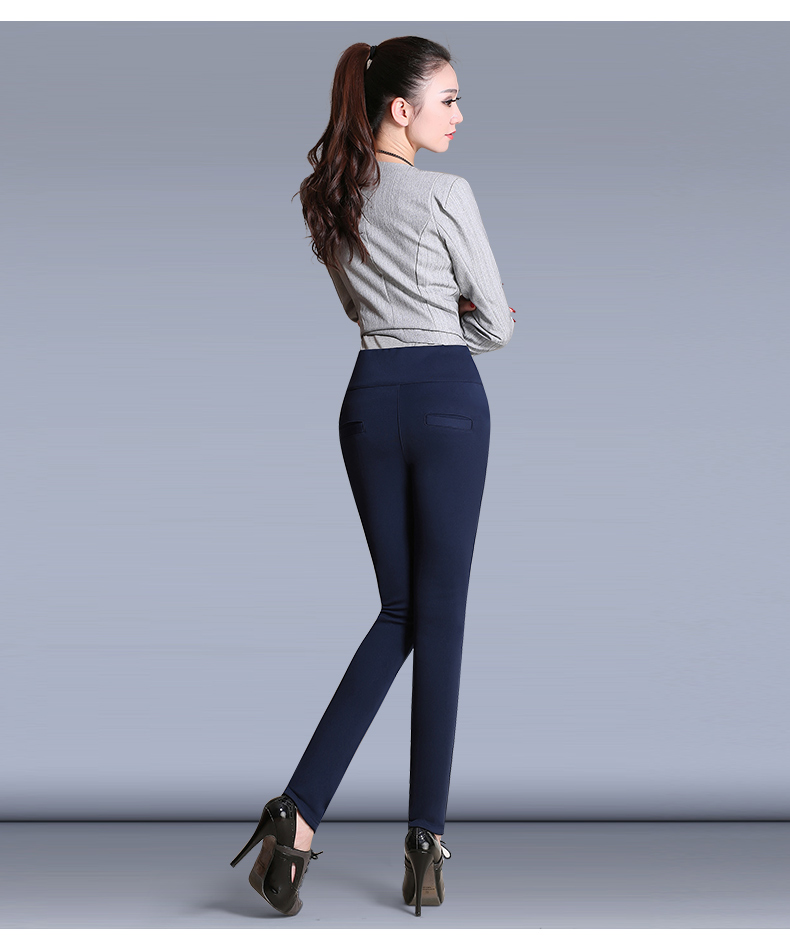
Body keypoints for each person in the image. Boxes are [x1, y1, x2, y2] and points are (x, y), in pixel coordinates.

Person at [230, 35, 515, 918]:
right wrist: (460, 317)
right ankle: (425, 840)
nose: (459, 115)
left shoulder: (331, 195)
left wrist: (427, 313)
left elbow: (361, 306)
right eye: (448, 99)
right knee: (441, 617)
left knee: (401, 611)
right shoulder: (446, 193)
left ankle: (296, 816)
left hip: (366, 401)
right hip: (445, 399)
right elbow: (497, 325)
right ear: (402, 108)